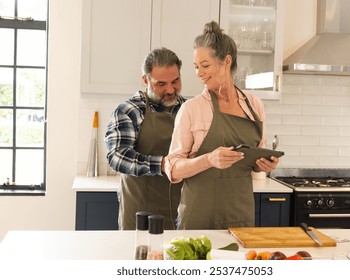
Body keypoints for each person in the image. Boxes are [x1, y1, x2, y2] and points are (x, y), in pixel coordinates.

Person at [164, 21, 279, 230]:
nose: (199, 73)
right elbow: (173, 169)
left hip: (240, 215)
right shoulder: (192, 108)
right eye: (196, 67)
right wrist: (209, 159)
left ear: (227, 61)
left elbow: (255, 158)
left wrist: (264, 164)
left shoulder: (254, 105)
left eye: (205, 65)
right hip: (198, 217)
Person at [105, 47, 186, 230]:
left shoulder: (189, 109)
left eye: (175, 81)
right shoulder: (129, 110)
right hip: (140, 212)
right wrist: (163, 164)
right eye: (161, 84)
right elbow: (117, 156)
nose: (170, 89)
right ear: (145, 80)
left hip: (181, 211)